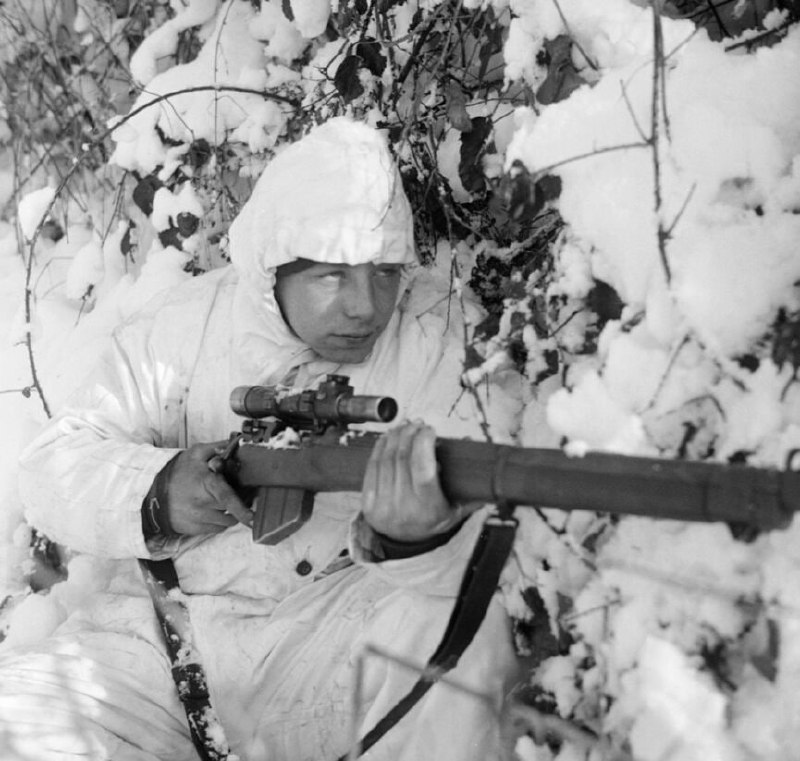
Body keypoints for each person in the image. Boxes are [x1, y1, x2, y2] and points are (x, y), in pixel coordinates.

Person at [0, 117, 523, 761]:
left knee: (459, 638)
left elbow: (495, 541)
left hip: (326, 640)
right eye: (332, 274)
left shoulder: (437, 338)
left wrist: (416, 541)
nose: (365, 306)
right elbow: (54, 464)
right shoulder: (185, 324)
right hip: (154, 639)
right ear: (274, 265)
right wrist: (161, 490)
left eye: (385, 272)